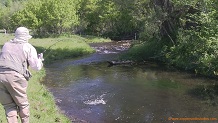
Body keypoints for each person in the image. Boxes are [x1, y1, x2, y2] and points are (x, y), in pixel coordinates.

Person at [0, 27, 44, 123]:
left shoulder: (6, 45)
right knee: (23, 104)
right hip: (15, 77)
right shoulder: (28, 47)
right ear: (26, 37)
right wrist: (40, 60)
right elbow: (36, 67)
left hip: (0, 76)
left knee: (8, 106)